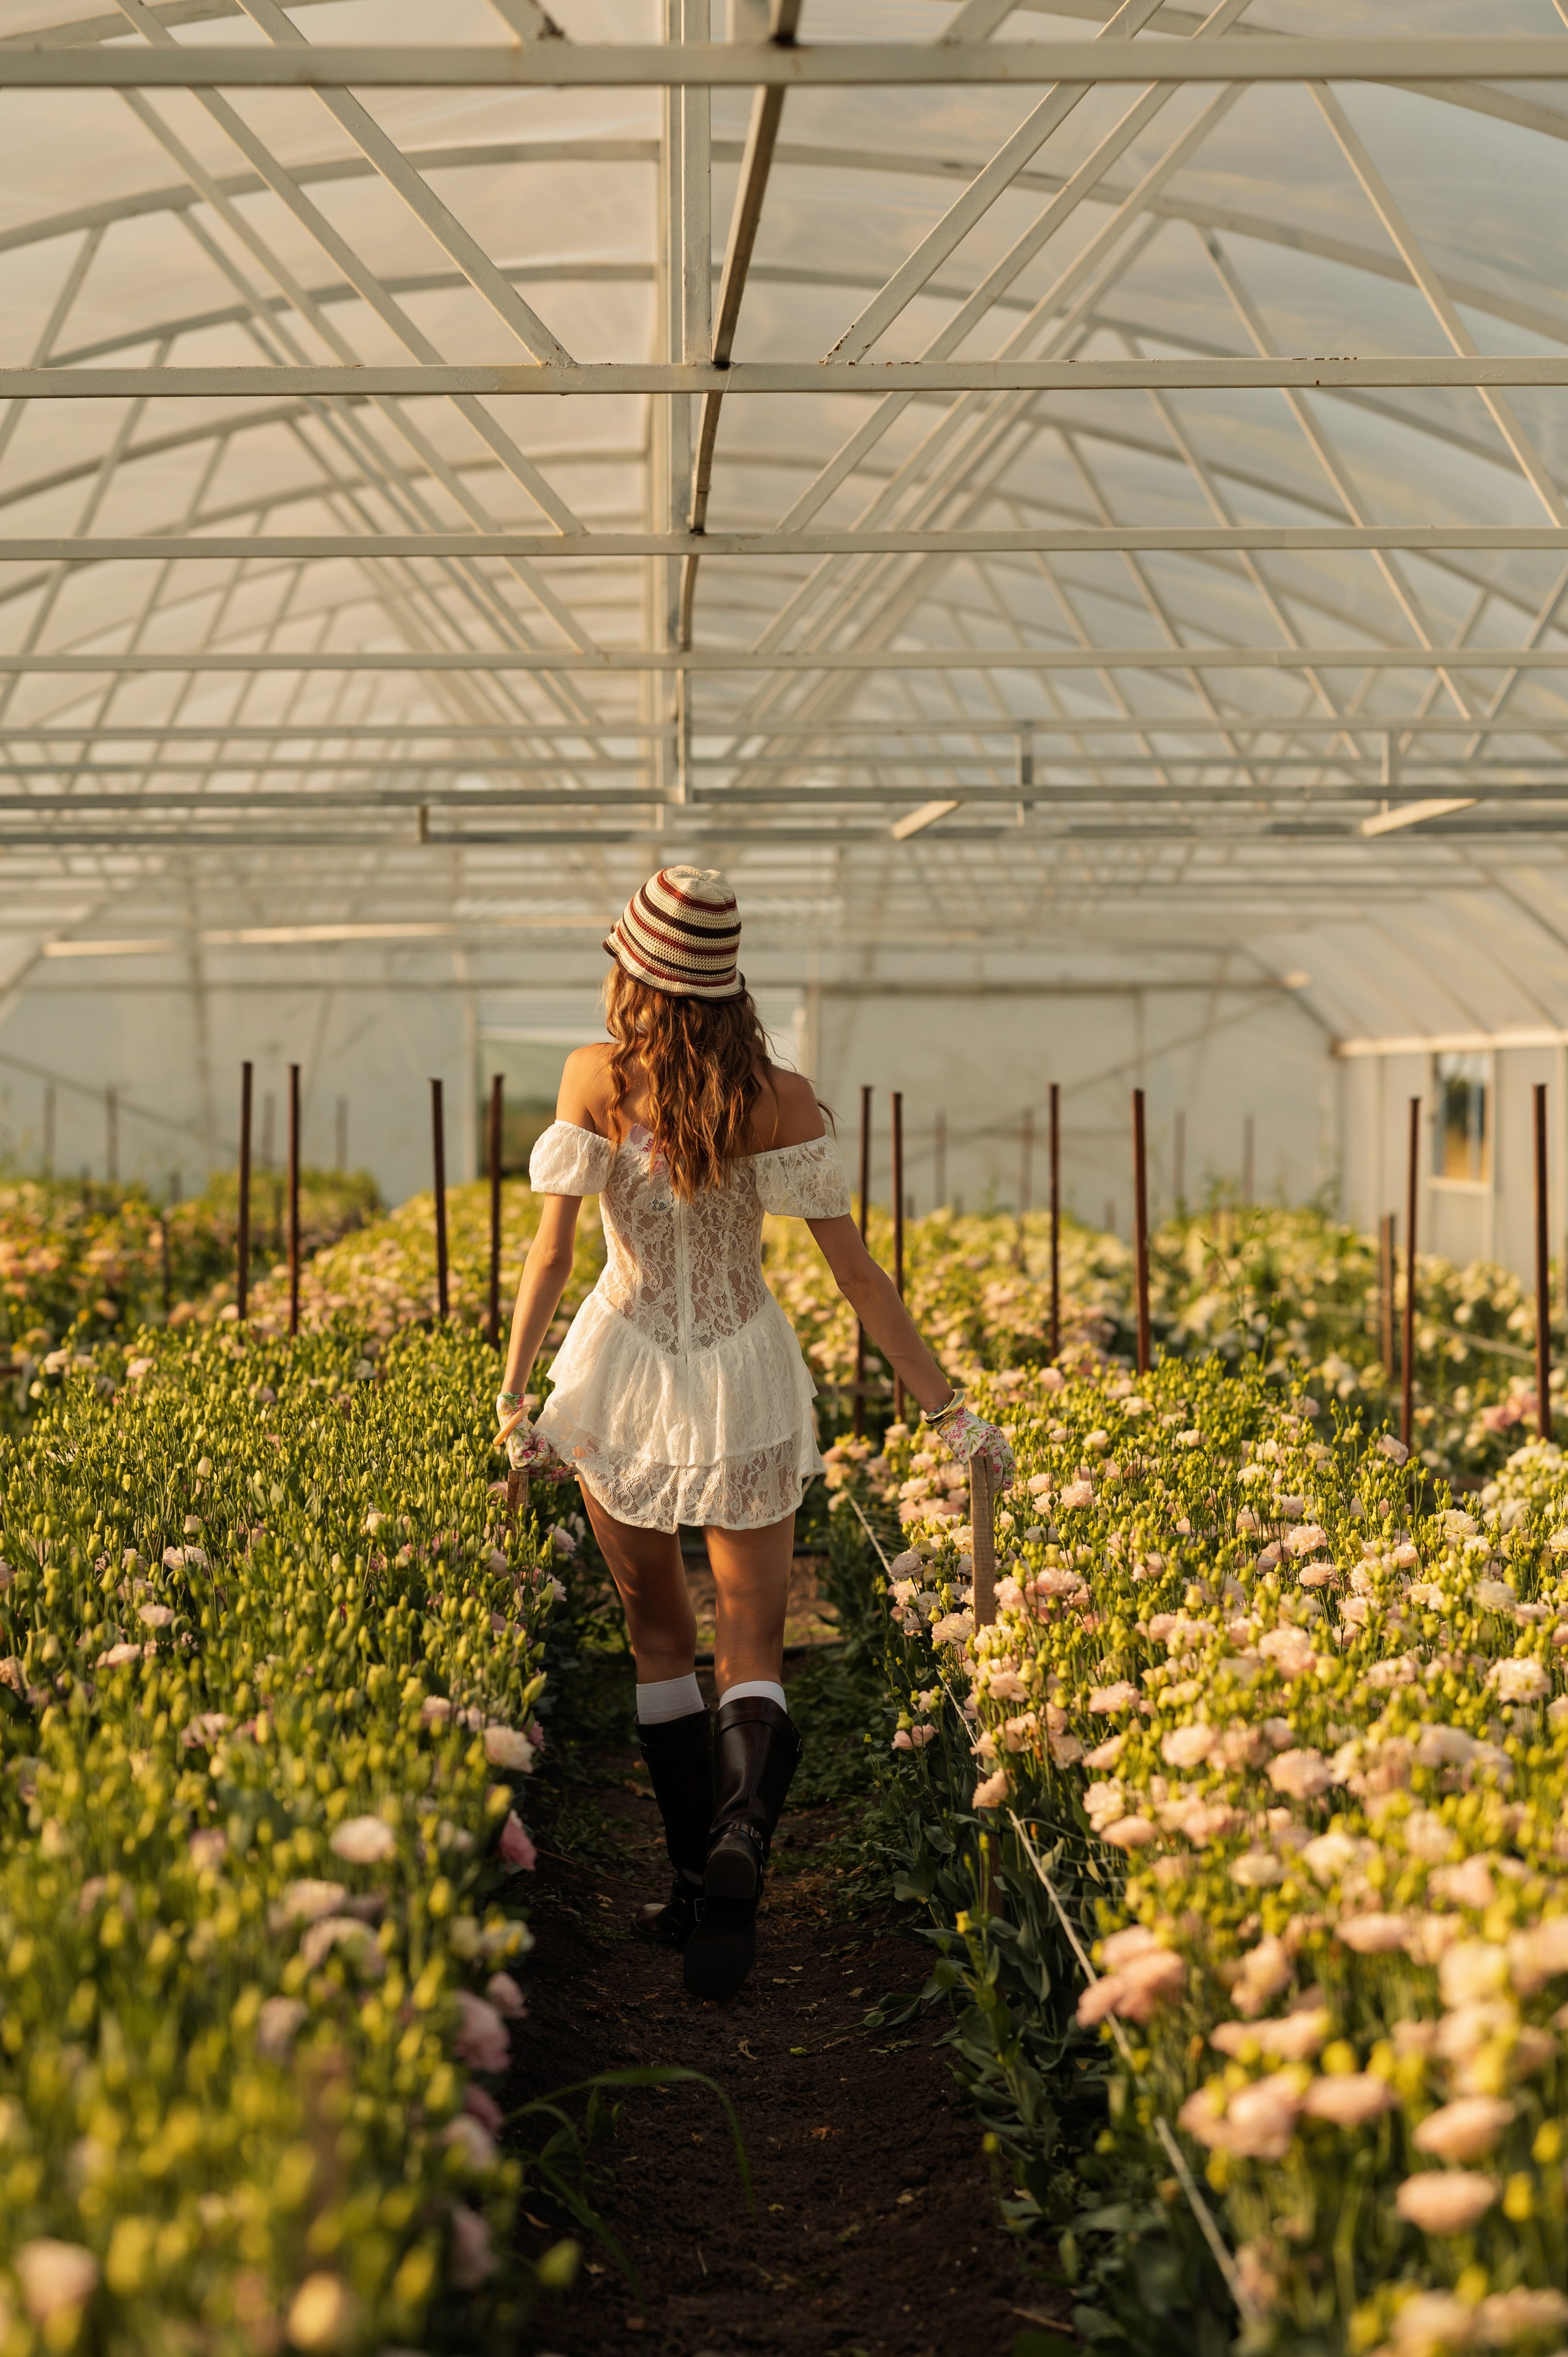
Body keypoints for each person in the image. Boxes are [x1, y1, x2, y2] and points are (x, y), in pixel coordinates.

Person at [495, 865, 1013, 2002]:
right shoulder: (780, 1097)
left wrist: (514, 1393)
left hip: (620, 1368)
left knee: (657, 1637)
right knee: (755, 1642)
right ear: (727, 983)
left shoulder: (596, 1077)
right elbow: (858, 1277)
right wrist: (949, 1409)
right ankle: (739, 1848)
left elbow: (548, 1257)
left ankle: (689, 1885)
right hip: (744, 1374)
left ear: (635, 973)